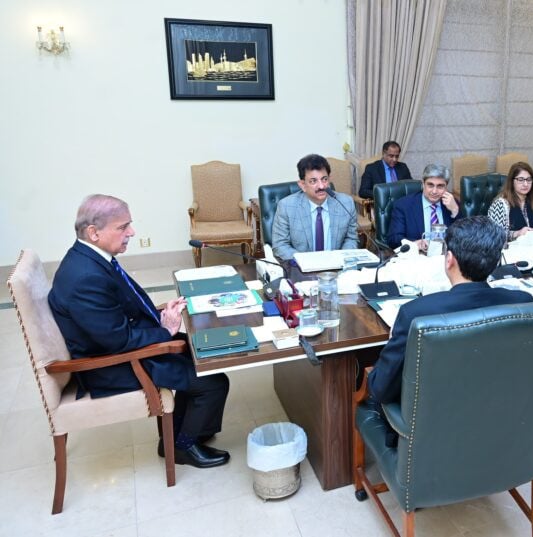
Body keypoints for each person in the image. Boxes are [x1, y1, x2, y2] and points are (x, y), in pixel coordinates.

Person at [49, 194, 230, 468]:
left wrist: (158, 315)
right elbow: (119, 340)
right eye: (123, 227)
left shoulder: (91, 258)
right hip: (111, 366)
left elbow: (120, 310)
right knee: (212, 381)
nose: (131, 232)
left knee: (201, 353)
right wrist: (166, 331)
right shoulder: (85, 277)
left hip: (117, 345)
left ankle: (179, 435)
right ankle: (182, 447)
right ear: (93, 232)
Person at [368, 216, 533, 405]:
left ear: (449, 259)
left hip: (431, 421)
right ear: (497, 262)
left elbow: (380, 390)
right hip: (500, 409)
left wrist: (392, 341)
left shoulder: (414, 313)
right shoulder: (523, 301)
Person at [271, 154, 359, 261]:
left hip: (337, 267)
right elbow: (280, 245)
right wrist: (306, 261)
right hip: (302, 269)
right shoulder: (286, 206)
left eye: (324, 179)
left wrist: (341, 259)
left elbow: (351, 239)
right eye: (313, 181)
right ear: (302, 185)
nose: (321, 186)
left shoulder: (345, 203)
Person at [386, 163, 461, 250]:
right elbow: (393, 239)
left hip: (445, 257)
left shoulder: (452, 203)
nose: (434, 191)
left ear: (446, 187)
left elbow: (465, 238)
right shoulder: (403, 205)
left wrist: (455, 211)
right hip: (417, 258)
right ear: (423, 184)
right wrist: (414, 244)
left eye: (440, 186)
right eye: (430, 185)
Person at [488, 161, 533, 241]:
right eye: (520, 180)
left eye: (529, 179)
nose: (525, 184)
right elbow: (494, 235)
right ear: (511, 181)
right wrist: (516, 233)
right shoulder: (501, 204)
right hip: (510, 251)